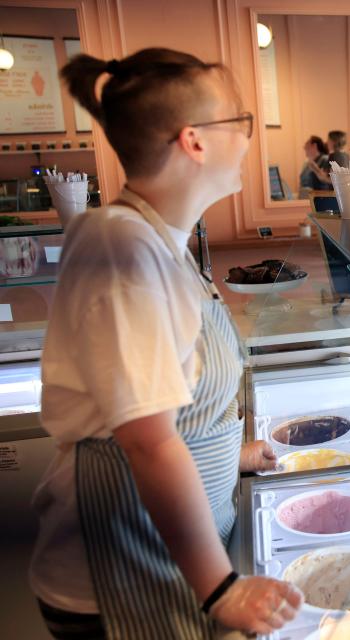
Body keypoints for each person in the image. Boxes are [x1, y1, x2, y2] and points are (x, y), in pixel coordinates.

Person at [30, 48, 302, 638]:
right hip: (118, 576)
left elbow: (164, 409)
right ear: (195, 141)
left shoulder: (155, 239)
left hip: (166, 555)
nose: (249, 141)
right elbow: (148, 443)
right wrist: (223, 589)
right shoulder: (124, 251)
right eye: (241, 124)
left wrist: (229, 454)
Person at [298, 134, 332, 198]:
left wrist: (315, 168)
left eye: (306, 144)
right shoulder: (307, 163)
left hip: (319, 200)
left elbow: (326, 180)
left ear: (314, 146)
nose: (304, 147)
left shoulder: (325, 159)